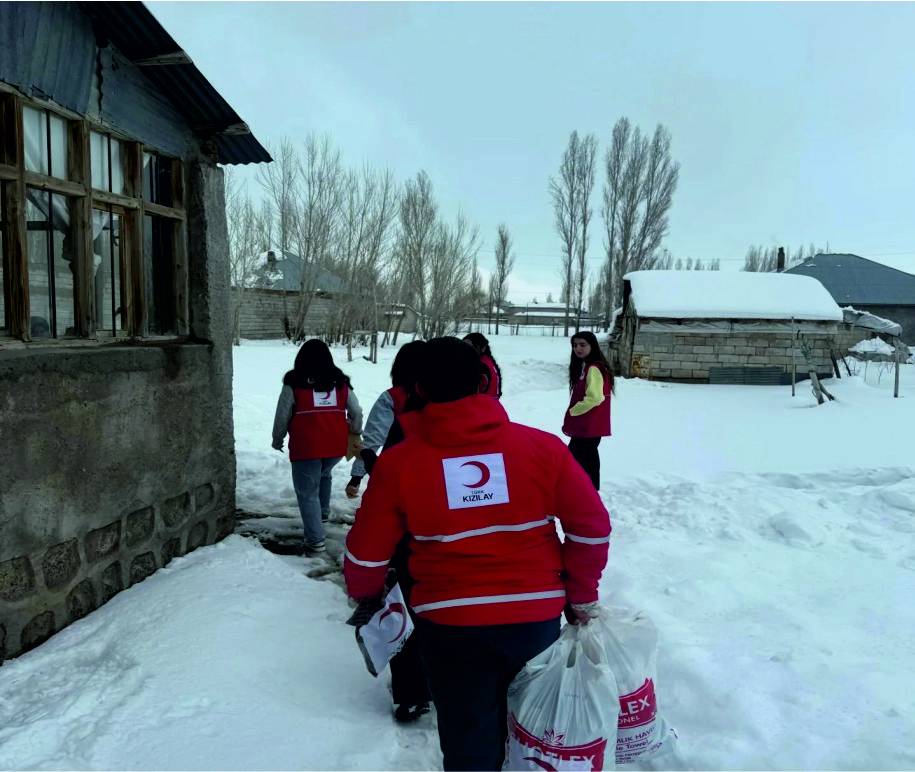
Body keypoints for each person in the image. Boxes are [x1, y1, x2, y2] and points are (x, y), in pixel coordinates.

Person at [344, 337, 611, 770]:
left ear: (419, 390)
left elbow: (366, 553)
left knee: (469, 736)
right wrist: (580, 594)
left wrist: (366, 594)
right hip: (534, 619)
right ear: (484, 380)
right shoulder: (541, 449)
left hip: (449, 625)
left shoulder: (399, 464)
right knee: (535, 729)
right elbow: (592, 527)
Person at [344, 340, 433, 724]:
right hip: (446, 505)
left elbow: (372, 442)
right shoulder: (451, 398)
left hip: (400, 502)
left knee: (404, 599)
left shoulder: (392, 398)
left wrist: (360, 476)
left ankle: (411, 693)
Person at [272, 339, 362, 556]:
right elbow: (357, 411)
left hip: (307, 447)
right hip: (335, 445)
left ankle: (315, 541)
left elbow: (282, 414)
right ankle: (321, 514)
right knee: (324, 474)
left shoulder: (294, 382)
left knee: (307, 493)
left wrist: (278, 438)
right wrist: (354, 430)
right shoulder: (340, 382)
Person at [344, 340, 427, 498]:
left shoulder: (392, 398)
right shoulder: (449, 398)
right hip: (436, 474)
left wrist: (356, 478)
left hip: (397, 473)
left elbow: (373, 439)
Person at [562, 330, 613, 490]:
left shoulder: (594, 368)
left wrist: (574, 410)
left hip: (589, 425)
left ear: (592, 346)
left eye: (583, 345)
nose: (578, 348)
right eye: (575, 345)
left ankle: (583, 492)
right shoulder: (589, 366)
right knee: (589, 459)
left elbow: (595, 398)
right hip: (590, 426)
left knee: (574, 460)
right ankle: (591, 491)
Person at [463, 332, 502, 398]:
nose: (463, 350)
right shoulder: (488, 361)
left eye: (469, 347)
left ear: (481, 348)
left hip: (483, 405)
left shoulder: (480, 365)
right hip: (492, 404)